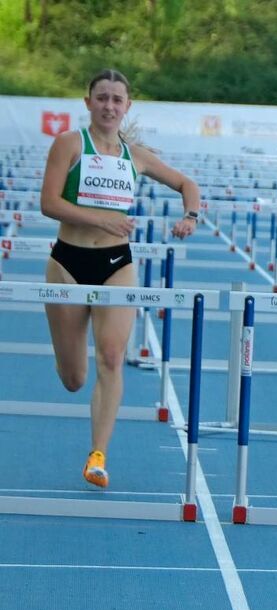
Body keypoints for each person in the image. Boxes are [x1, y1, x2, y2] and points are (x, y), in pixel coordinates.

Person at [38, 69, 200, 488]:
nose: (109, 106)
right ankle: (71, 368)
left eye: (117, 100)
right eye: (102, 98)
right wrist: (102, 220)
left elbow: (186, 184)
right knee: (74, 378)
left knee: (112, 358)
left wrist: (190, 215)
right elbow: (48, 203)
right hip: (68, 263)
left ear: (127, 106)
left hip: (118, 265)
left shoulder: (136, 154)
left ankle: (98, 456)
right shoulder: (70, 144)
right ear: (88, 102)